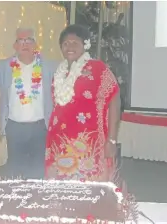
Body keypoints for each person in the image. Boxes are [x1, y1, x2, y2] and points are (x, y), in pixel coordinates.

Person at [45, 24, 121, 181]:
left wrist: (112, 140)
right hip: (59, 143)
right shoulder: (59, 73)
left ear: (85, 45)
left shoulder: (97, 68)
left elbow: (114, 99)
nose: (69, 47)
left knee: (90, 192)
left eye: (74, 43)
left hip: (89, 144)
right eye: (65, 44)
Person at [0, 28, 58, 179]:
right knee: (15, 168)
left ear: (35, 44)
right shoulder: (5, 66)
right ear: (15, 45)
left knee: (38, 169)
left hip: (40, 126)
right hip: (14, 127)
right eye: (20, 40)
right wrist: (3, 107)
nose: (25, 44)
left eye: (29, 40)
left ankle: (35, 199)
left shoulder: (49, 66)